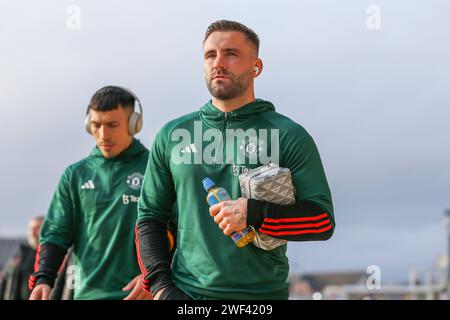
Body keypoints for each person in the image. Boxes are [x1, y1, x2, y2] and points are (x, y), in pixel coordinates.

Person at [136, 20, 335, 300]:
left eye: (230, 54)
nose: (218, 63)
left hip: (261, 297)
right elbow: (150, 219)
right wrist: (159, 288)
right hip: (186, 294)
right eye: (210, 55)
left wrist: (254, 213)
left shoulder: (289, 135)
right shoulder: (172, 135)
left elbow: (321, 221)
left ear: (257, 67)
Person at [29, 86, 174, 300]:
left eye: (112, 125)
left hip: (142, 293)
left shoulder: (156, 168)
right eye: (96, 125)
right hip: (87, 295)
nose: (103, 134)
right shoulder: (75, 175)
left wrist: (154, 278)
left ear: (134, 125)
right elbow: (55, 234)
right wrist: (43, 279)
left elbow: (181, 232)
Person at [0, 216, 44, 300]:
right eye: (30, 228)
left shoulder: (52, 259)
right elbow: (4, 280)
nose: (32, 232)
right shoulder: (19, 255)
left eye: (37, 228)